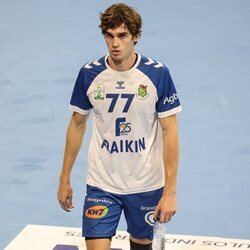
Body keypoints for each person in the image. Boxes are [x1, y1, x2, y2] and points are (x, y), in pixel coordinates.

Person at [57, 3, 182, 250]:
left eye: (122, 36)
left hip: (146, 185)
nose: (115, 43)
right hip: (102, 183)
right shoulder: (89, 74)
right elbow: (77, 124)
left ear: (136, 37)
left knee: (143, 244)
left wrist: (170, 193)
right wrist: (64, 178)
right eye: (109, 35)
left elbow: (171, 132)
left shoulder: (157, 75)